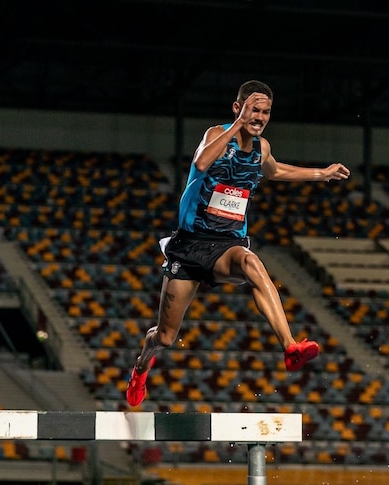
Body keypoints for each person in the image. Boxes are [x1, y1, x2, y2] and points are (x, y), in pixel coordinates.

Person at [126, 80, 351, 406]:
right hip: (189, 246)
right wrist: (237, 126)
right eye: (253, 109)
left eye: (265, 111)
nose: (259, 116)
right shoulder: (216, 135)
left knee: (251, 262)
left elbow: (275, 172)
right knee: (165, 337)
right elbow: (202, 163)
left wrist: (321, 173)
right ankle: (141, 368)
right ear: (238, 108)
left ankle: (290, 346)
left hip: (226, 245)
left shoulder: (262, 149)